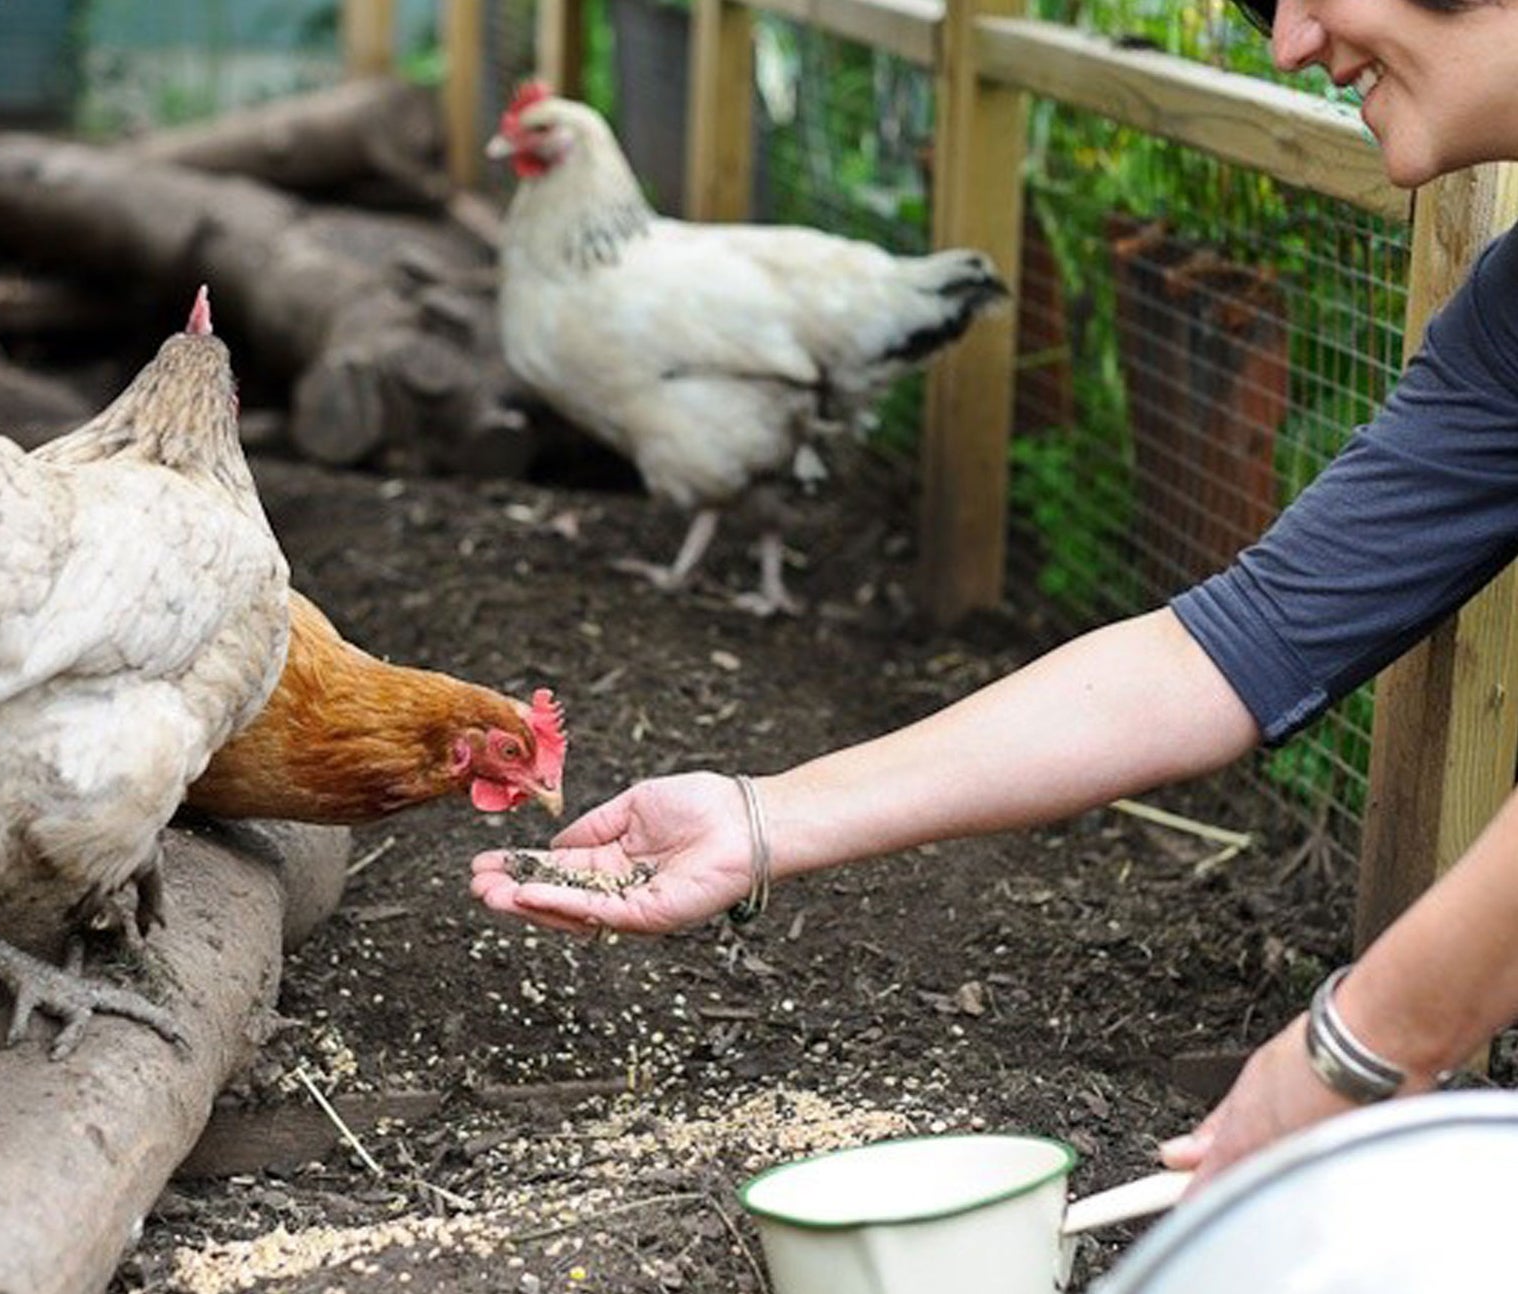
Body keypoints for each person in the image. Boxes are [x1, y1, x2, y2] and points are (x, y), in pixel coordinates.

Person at [472, 0, 1518, 1190]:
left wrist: (1361, 1039)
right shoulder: (1507, 323)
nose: (1285, 48)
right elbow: (1234, 645)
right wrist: (765, 817)